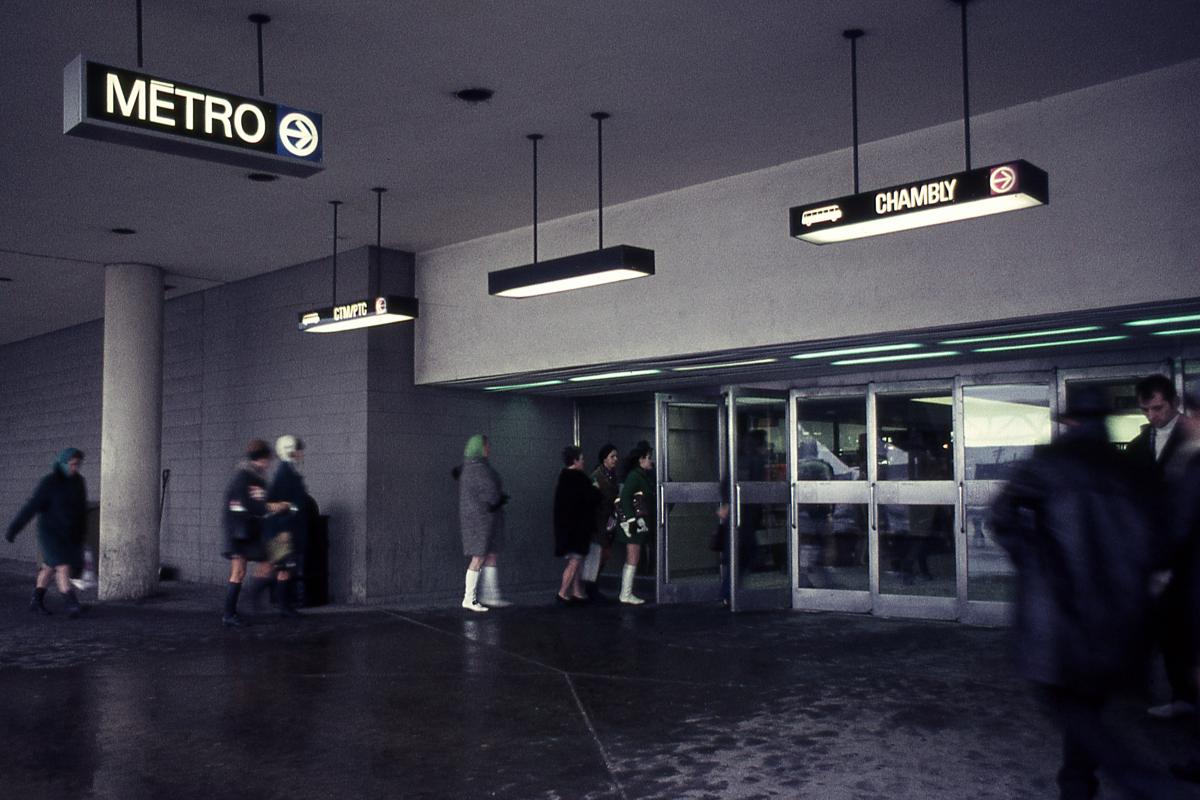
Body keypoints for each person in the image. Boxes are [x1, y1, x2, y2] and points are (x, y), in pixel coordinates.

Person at [990, 388, 1186, 799]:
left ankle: (1139, 783)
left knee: (1069, 704)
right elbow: (1162, 540)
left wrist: (1032, 560)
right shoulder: (1132, 468)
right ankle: (1078, 784)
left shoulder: (1050, 463)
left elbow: (1001, 514)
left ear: (1071, 422)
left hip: (1060, 609)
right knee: (1089, 702)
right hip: (1120, 609)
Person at [1129, 374, 1197, 719]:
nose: (1152, 416)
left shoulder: (1193, 437)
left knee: (1186, 628)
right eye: (1146, 410)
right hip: (1156, 549)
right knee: (1168, 627)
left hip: (1189, 554)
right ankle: (1181, 695)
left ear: (1173, 402)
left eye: (1157, 408)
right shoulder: (1140, 444)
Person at [5, 447, 88, 618]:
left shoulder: (79, 482)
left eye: (77, 465)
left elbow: (81, 509)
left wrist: (81, 533)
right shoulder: (49, 483)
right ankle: (72, 604)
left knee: (49, 567)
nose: (75, 468)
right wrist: (14, 528)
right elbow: (31, 507)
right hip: (50, 533)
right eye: (72, 464)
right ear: (62, 463)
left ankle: (36, 601)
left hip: (68, 533)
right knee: (63, 566)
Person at [221, 439, 290, 627]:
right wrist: (272, 506)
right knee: (238, 571)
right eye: (267, 460)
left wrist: (273, 505)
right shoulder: (242, 477)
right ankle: (230, 613)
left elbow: (260, 502)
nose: (268, 464)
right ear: (259, 459)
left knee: (274, 558)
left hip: (251, 531)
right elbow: (247, 503)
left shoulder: (258, 478)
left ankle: (257, 596)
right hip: (239, 532)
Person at [458, 434, 509, 612]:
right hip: (481, 521)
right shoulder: (478, 469)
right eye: (487, 446)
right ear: (480, 448)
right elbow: (490, 493)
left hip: (481, 520)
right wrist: (499, 499)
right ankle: (469, 599)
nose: (489, 449)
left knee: (489, 555)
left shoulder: (472, 467)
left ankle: (490, 596)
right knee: (478, 558)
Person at [266, 435, 309, 616]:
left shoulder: (287, 472)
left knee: (284, 568)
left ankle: (284, 604)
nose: (301, 454)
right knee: (284, 568)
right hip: (284, 529)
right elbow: (283, 505)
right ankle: (284, 606)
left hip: (284, 528)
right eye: (298, 450)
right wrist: (285, 528)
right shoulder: (286, 474)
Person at [553, 445, 601, 605]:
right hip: (578, 529)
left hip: (566, 528)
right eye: (582, 458)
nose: (584, 461)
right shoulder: (579, 479)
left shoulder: (564, 477)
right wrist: (595, 488)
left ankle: (576, 591)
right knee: (575, 561)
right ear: (575, 460)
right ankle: (562, 592)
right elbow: (592, 498)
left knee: (576, 560)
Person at [616, 443, 655, 605]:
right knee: (633, 556)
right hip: (633, 524)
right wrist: (632, 520)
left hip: (634, 523)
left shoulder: (638, 475)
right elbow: (625, 497)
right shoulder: (636, 476)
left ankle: (626, 593)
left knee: (632, 556)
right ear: (641, 460)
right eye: (648, 458)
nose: (650, 461)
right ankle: (626, 594)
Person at [581, 444, 620, 601]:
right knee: (598, 555)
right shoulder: (596, 477)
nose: (615, 459)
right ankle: (591, 588)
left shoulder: (612, 476)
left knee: (604, 554)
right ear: (604, 459)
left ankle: (592, 586)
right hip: (598, 522)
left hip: (608, 520)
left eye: (616, 456)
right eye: (612, 456)